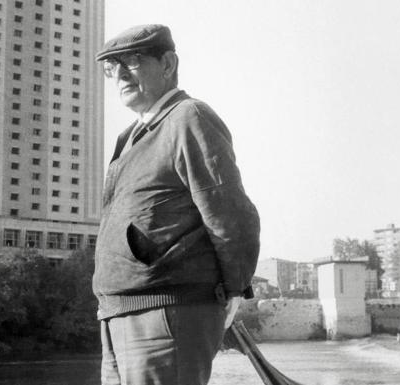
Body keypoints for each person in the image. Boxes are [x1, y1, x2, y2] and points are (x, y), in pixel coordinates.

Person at [92, 24, 260, 385]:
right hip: (119, 313)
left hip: (165, 312)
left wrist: (232, 290)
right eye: (112, 67)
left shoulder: (188, 117)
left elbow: (229, 214)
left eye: (132, 62)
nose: (119, 74)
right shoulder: (129, 137)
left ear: (167, 64)